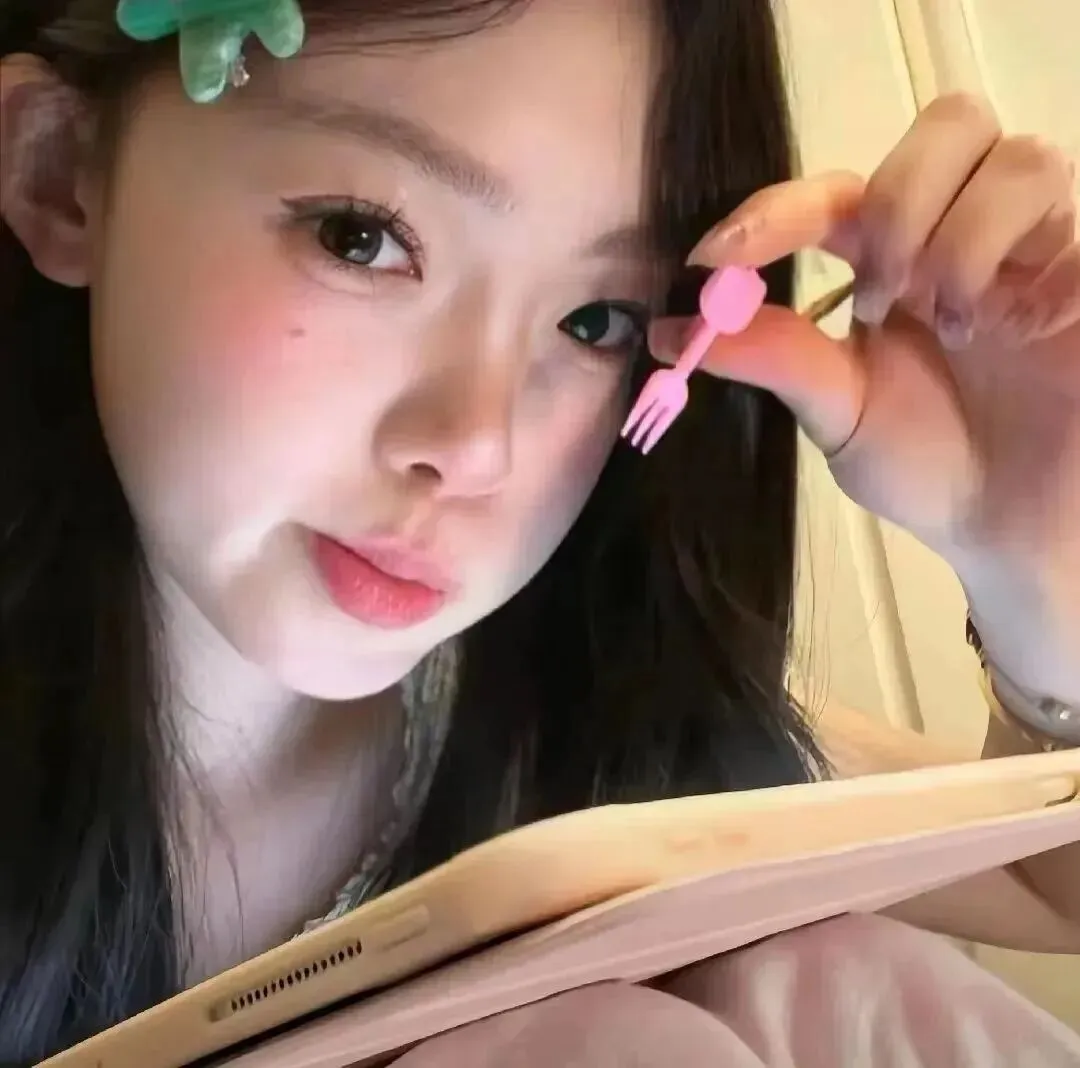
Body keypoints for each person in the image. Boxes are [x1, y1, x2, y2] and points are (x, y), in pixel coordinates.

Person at [1, 0, 1077, 1062]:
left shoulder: (579, 728)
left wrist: (1025, 553)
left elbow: (1047, 883)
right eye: (360, 239)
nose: (478, 446)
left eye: (596, 321)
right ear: (58, 174)